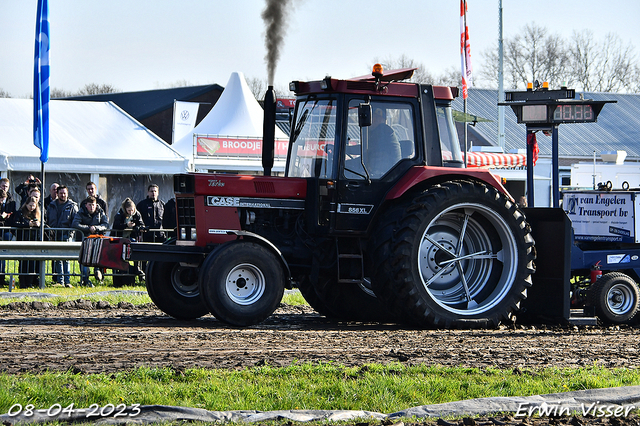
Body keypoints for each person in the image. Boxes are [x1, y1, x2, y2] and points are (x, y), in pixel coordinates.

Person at [72, 196, 109, 287]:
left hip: (97, 240)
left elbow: (105, 224)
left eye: (93, 205)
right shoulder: (81, 212)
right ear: (86, 205)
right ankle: (85, 279)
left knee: (98, 257)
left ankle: (98, 272)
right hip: (85, 240)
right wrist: (88, 228)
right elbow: (75, 223)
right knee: (85, 260)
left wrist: (96, 228)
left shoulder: (100, 212)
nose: (92, 207)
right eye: (90, 205)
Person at [47, 185, 78, 287]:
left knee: (66, 259)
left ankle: (67, 281)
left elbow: (75, 221)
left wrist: (70, 234)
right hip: (54, 235)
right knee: (57, 259)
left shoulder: (72, 206)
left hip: (66, 235)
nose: (63, 195)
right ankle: (60, 281)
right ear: (57, 194)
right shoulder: (51, 205)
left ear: (67, 194)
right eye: (61, 193)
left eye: (64, 193)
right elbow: (48, 219)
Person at [112, 198, 145, 285]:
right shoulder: (119, 214)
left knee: (135, 247)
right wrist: (126, 225)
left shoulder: (136, 214)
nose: (131, 212)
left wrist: (138, 228)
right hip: (120, 237)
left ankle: (137, 266)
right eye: (129, 210)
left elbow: (141, 224)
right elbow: (116, 225)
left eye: (132, 210)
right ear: (125, 209)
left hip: (131, 237)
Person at [12, 197, 41, 289]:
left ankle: (30, 283)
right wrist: (27, 224)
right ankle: (22, 283)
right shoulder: (20, 212)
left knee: (32, 263)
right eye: (30, 205)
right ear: (26, 204)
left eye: (34, 206)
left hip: (33, 240)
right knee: (23, 263)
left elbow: (45, 223)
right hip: (23, 240)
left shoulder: (37, 214)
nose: (32, 207)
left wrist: (39, 224)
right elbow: (15, 223)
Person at [366, 106, 401, 178]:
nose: (373, 120)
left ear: (382, 120)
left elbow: (366, 148)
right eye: (373, 118)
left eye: (376, 118)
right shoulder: (374, 132)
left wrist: (345, 149)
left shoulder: (383, 130)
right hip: (380, 171)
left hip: (387, 175)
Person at [0, 189, 16, 286]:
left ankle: (2, 278)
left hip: (3, 233)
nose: (2, 201)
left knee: (3, 258)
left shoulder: (6, 205)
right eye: (1, 199)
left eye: (3, 199)